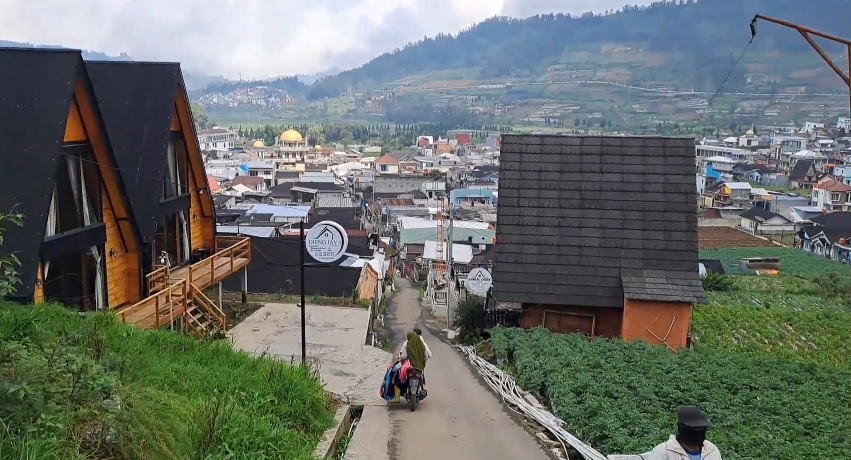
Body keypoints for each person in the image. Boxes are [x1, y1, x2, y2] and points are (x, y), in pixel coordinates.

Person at [640, 406, 721, 460]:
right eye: (693, 428)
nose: (698, 432)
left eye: (701, 428)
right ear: (680, 427)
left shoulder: (711, 450)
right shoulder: (662, 452)